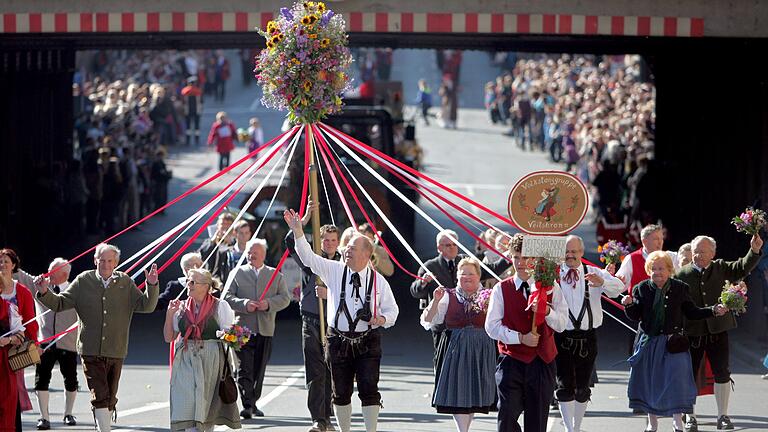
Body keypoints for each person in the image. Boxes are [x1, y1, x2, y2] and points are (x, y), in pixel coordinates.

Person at [284, 209, 399, 432]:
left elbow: (393, 311)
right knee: (341, 391)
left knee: (369, 388)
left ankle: (370, 430)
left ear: (367, 254)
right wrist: (298, 231)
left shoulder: (379, 281)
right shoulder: (334, 270)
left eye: (352, 249)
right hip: (338, 340)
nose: (346, 251)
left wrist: (381, 318)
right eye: (346, 248)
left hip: (368, 339)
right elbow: (308, 258)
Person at [36, 243, 159, 432]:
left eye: (110, 261)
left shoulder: (125, 282)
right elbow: (60, 304)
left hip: (116, 349)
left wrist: (151, 285)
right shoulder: (83, 280)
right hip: (90, 350)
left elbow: (147, 306)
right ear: (95, 261)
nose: (106, 264)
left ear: (116, 262)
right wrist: (45, 292)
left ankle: (102, 426)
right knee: (100, 394)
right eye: (102, 260)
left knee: (110, 396)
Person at [621, 251, 729, 432]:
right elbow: (635, 316)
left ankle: (677, 421)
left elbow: (692, 312)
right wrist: (629, 304)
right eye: (653, 269)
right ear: (649, 270)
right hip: (649, 343)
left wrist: (713, 310)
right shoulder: (641, 288)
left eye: (661, 269)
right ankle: (652, 422)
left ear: (669, 270)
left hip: (674, 344)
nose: (657, 273)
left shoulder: (680, 288)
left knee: (677, 381)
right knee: (651, 383)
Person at [675, 234, 762, 432]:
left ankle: (723, 416)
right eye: (695, 251)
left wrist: (754, 250)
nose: (698, 255)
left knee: (722, 372)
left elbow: (742, 267)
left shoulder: (721, 267)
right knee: (689, 375)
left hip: (718, 329)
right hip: (692, 332)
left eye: (703, 252)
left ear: (713, 253)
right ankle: (690, 417)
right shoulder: (682, 275)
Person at [485, 233, 568, 432]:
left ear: (534, 259)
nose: (520, 263)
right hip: (511, 361)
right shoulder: (501, 289)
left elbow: (562, 324)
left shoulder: (550, 286)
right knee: (506, 417)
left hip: (542, 362)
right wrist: (520, 337)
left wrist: (546, 311)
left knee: (537, 420)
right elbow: (491, 327)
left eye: (525, 257)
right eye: (516, 257)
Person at [555, 235, 624, 432]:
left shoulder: (594, 271)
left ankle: (577, 426)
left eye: (574, 252)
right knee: (564, 385)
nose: (570, 255)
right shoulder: (553, 274)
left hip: (587, 337)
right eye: (567, 252)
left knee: (583, 387)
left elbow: (619, 289)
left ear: (582, 253)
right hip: (562, 337)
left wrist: (602, 281)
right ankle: (570, 428)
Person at [421, 257, 496, 432]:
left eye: (471, 273)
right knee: (459, 392)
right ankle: (463, 430)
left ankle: (465, 428)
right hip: (456, 349)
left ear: (479, 276)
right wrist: (436, 301)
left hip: (482, 349)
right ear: (457, 277)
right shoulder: (447, 295)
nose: (467, 277)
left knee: (475, 392)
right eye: (463, 274)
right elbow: (428, 320)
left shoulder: (489, 295)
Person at [164, 268, 241, 432]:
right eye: (188, 282)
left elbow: (233, 335)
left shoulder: (220, 306)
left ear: (206, 286)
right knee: (186, 400)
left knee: (205, 403)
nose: (188, 285)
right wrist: (169, 315)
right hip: (185, 356)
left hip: (210, 356)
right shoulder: (181, 307)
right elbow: (169, 337)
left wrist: (228, 335)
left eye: (193, 282)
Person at [224, 238, 291, 419]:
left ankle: (253, 402)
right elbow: (226, 296)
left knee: (258, 368)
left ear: (263, 255)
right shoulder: (237, 273)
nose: (251, 256)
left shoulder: (275, 275)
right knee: (243, 368)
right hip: (240, 329)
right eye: (249, 252)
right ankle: (247, 404)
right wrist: (244, 304)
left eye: (255, 253)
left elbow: (285, 298)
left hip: (265, 329)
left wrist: (268, 304)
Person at [286, 218, 341, 432]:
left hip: (335, 323)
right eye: (325, 240)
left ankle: (329, 415)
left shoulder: (343, 264)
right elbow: (290, 242)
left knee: (332, 371)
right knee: (315, 370)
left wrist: (330, 294)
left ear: (338, 242)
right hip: (311, 320)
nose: (328, 243)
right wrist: (305, 219)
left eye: (332, 240)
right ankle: (318, 419)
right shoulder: (310, 260)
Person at [30, 258, 80, 429]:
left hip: (68, 342)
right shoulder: (40, 286)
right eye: (48, 271)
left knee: (71, 379)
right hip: (45, 342)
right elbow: (21, 278)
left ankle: (68, 413)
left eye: (52, 272)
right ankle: (44, 417)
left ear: (64, 274)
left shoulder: (75, 290)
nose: (47, 275)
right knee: (41, 379)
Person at [1, 248, 40, 427]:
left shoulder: (22, 291)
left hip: (13, 349)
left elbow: (31, 322)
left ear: (13, 265)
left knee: (11, 393)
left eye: (5, 262)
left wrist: (33, 343)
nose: (2, 265)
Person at [0, 293, 25, 431]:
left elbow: (20, 336)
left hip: (4, 367)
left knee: (6, 407)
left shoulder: (9, 309)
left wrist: (7, 340)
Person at [199, 213, 236, 282]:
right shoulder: (209, 241)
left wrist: (230, 243)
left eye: (228, 224)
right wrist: (212, 241)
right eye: (223, 224)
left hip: (227, 277)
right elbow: (202, 255)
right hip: (210, 276)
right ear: (218, 225)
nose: (225, 227)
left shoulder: (236, 242)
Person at [181, 76, 204, 146]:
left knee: (188, 126)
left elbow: (182, 101)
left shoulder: (184, 91)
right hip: (197, 110)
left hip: (187, 110)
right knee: (197, 126)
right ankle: (197, 139)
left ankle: (188, 140)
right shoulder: (198, 91)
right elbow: (202, 101)